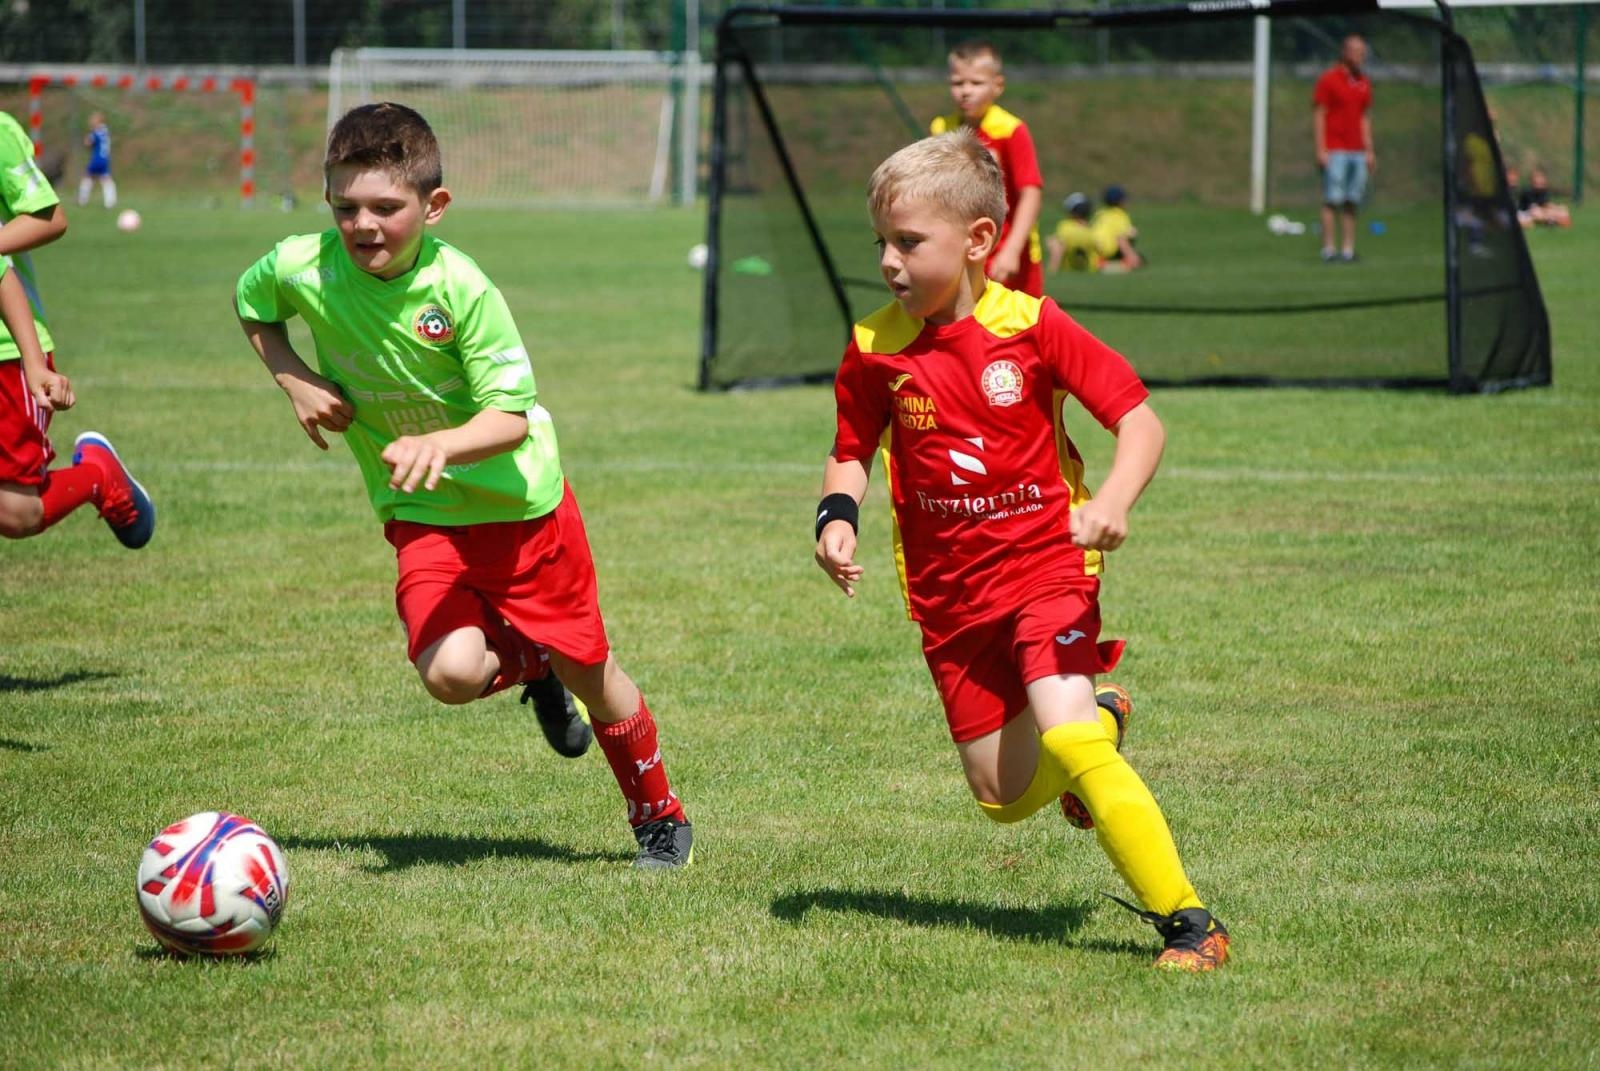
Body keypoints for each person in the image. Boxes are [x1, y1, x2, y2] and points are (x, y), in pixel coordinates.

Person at [233, 103, 693, 868]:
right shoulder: (301, 266)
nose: (362, 224)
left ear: (433, 206)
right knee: (449, 674)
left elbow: (511, 417)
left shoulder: (462, 288)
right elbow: (253, 305)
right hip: (422, 514)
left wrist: (438, 443)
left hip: (522, 509)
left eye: (386, 206)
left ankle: (659, 815)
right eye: (345, 207)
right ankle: (531, 662)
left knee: (596, 673)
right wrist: (293, 377)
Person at [813, 131, 1228, 971]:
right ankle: (1101, 722)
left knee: (1068, 741)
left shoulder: (1033, 325)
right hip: (947, 596)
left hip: (1049, 567)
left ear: (975, 241)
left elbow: (1140, 421)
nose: (890, 262)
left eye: (909, 242)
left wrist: (1110, 502)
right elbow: (852, 445)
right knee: (1000, 797)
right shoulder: (873, 346)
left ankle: (1189, 920)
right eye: (882, 244)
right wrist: (835, 514)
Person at [0, 110, 154, 548]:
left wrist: (33, 364)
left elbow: (49, 218)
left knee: (16, 512)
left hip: (8, 349)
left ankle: (97, 477)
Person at [930, 39, 1045, 297]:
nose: (966, 91)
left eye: (976, 83)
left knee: (1020, 331)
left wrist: (1013, 250)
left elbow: (1031, 192)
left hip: (1011, 253)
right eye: (958, 83)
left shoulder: (1010, 130)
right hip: (963, 251)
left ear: (998, 86)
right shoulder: (941, 129)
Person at [1313, 34, 1376, 262]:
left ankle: (1348, 249)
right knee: (1332, 199)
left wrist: (1369, 149)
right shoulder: (1329, 79)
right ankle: (1328, 250)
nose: (1361, 55)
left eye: (1363, 51)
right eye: (1356, 51)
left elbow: (1364, 117)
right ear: (1344, 51)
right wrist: (1321, 148)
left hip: (1357, 150)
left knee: (1352, 200)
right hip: (1335, 148)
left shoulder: (1363, 82)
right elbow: (1319, 114)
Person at [1091, 185, 1143, 272]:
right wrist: (1133, 258)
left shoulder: (1099, 213)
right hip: (1104, 254)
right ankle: (1106, 266)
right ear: (1120, 201)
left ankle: (1100, 263)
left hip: (1091, 252)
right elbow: (1121, 239)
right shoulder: (1119, 215)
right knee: (1132, 233)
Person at [1046, 192, 1100, 274]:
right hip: (1091, 273)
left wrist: (1052, 270)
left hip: (1068, 271)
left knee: (1052, 241)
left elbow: (1058, 249)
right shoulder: (1093, 231)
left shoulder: (1065, 227)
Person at [78, 112, 117, 209]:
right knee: (106, 179)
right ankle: (110, 202)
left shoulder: (96, 131)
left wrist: (87, 139)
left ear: (98, 121)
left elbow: (88, 142)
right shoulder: (105, 130)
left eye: (92, 119)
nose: (90, 121)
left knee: (87, 176)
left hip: (97, 159)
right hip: (105, 158)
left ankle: (82, 200)